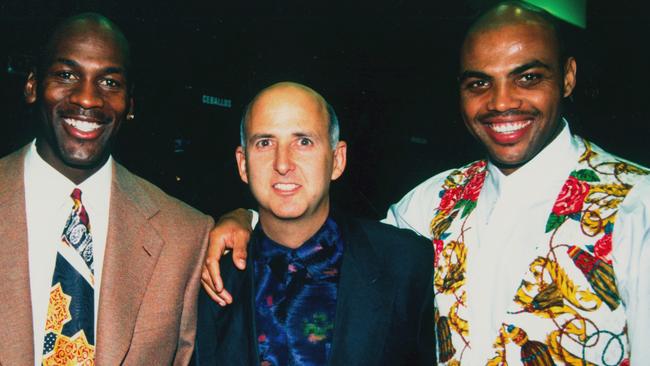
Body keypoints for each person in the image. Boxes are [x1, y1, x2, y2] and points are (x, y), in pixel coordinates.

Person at [202, 2, 650, 365]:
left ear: (568, 77)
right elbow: (321, 234)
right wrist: (247, 217)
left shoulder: (637, 204)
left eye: (528, 77)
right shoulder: (431, 202)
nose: (502, 102)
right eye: (479, 83)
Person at [0, 13, 213, 364]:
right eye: (66, 75)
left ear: (130, 105)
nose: (88, 99)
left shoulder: (186, 235)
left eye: (110, 82)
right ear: (32, 86)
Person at [193, 82, 434, 365]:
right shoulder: (209, 276)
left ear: (337, 159)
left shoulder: (405, 262)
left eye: (304, 141)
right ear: (243, 164)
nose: (283, 163)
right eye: (265, 143)